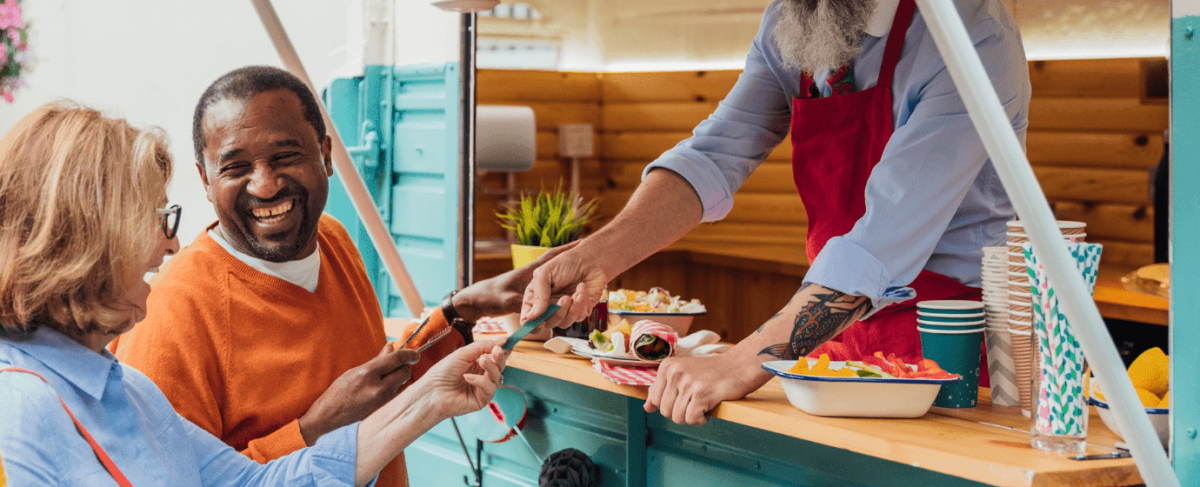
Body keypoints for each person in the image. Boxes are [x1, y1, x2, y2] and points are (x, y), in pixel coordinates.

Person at [522, 0, 1030, 425]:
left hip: (953, 343)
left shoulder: (972, 36)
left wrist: (739, 363)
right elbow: (713, 155)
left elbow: (882, 242)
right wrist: (597, 256)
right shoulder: (798, 16)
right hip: (833, 328)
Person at [0, 102, 506, 486]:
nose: (171, 242)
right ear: (89, 238)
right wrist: (320, 422)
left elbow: (255, 483)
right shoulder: (19, 409)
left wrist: (430, 399)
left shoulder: (128, 390)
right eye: (155, 220)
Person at [109, 65, 552, 486]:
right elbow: (170, 479)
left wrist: (462, 310)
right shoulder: (169, 311)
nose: (264, 185)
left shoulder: (333, 239)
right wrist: (318, 426)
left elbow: (374, 392)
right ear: (206, 181)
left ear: (325, 155)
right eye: (236, 167)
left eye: (285, 156)